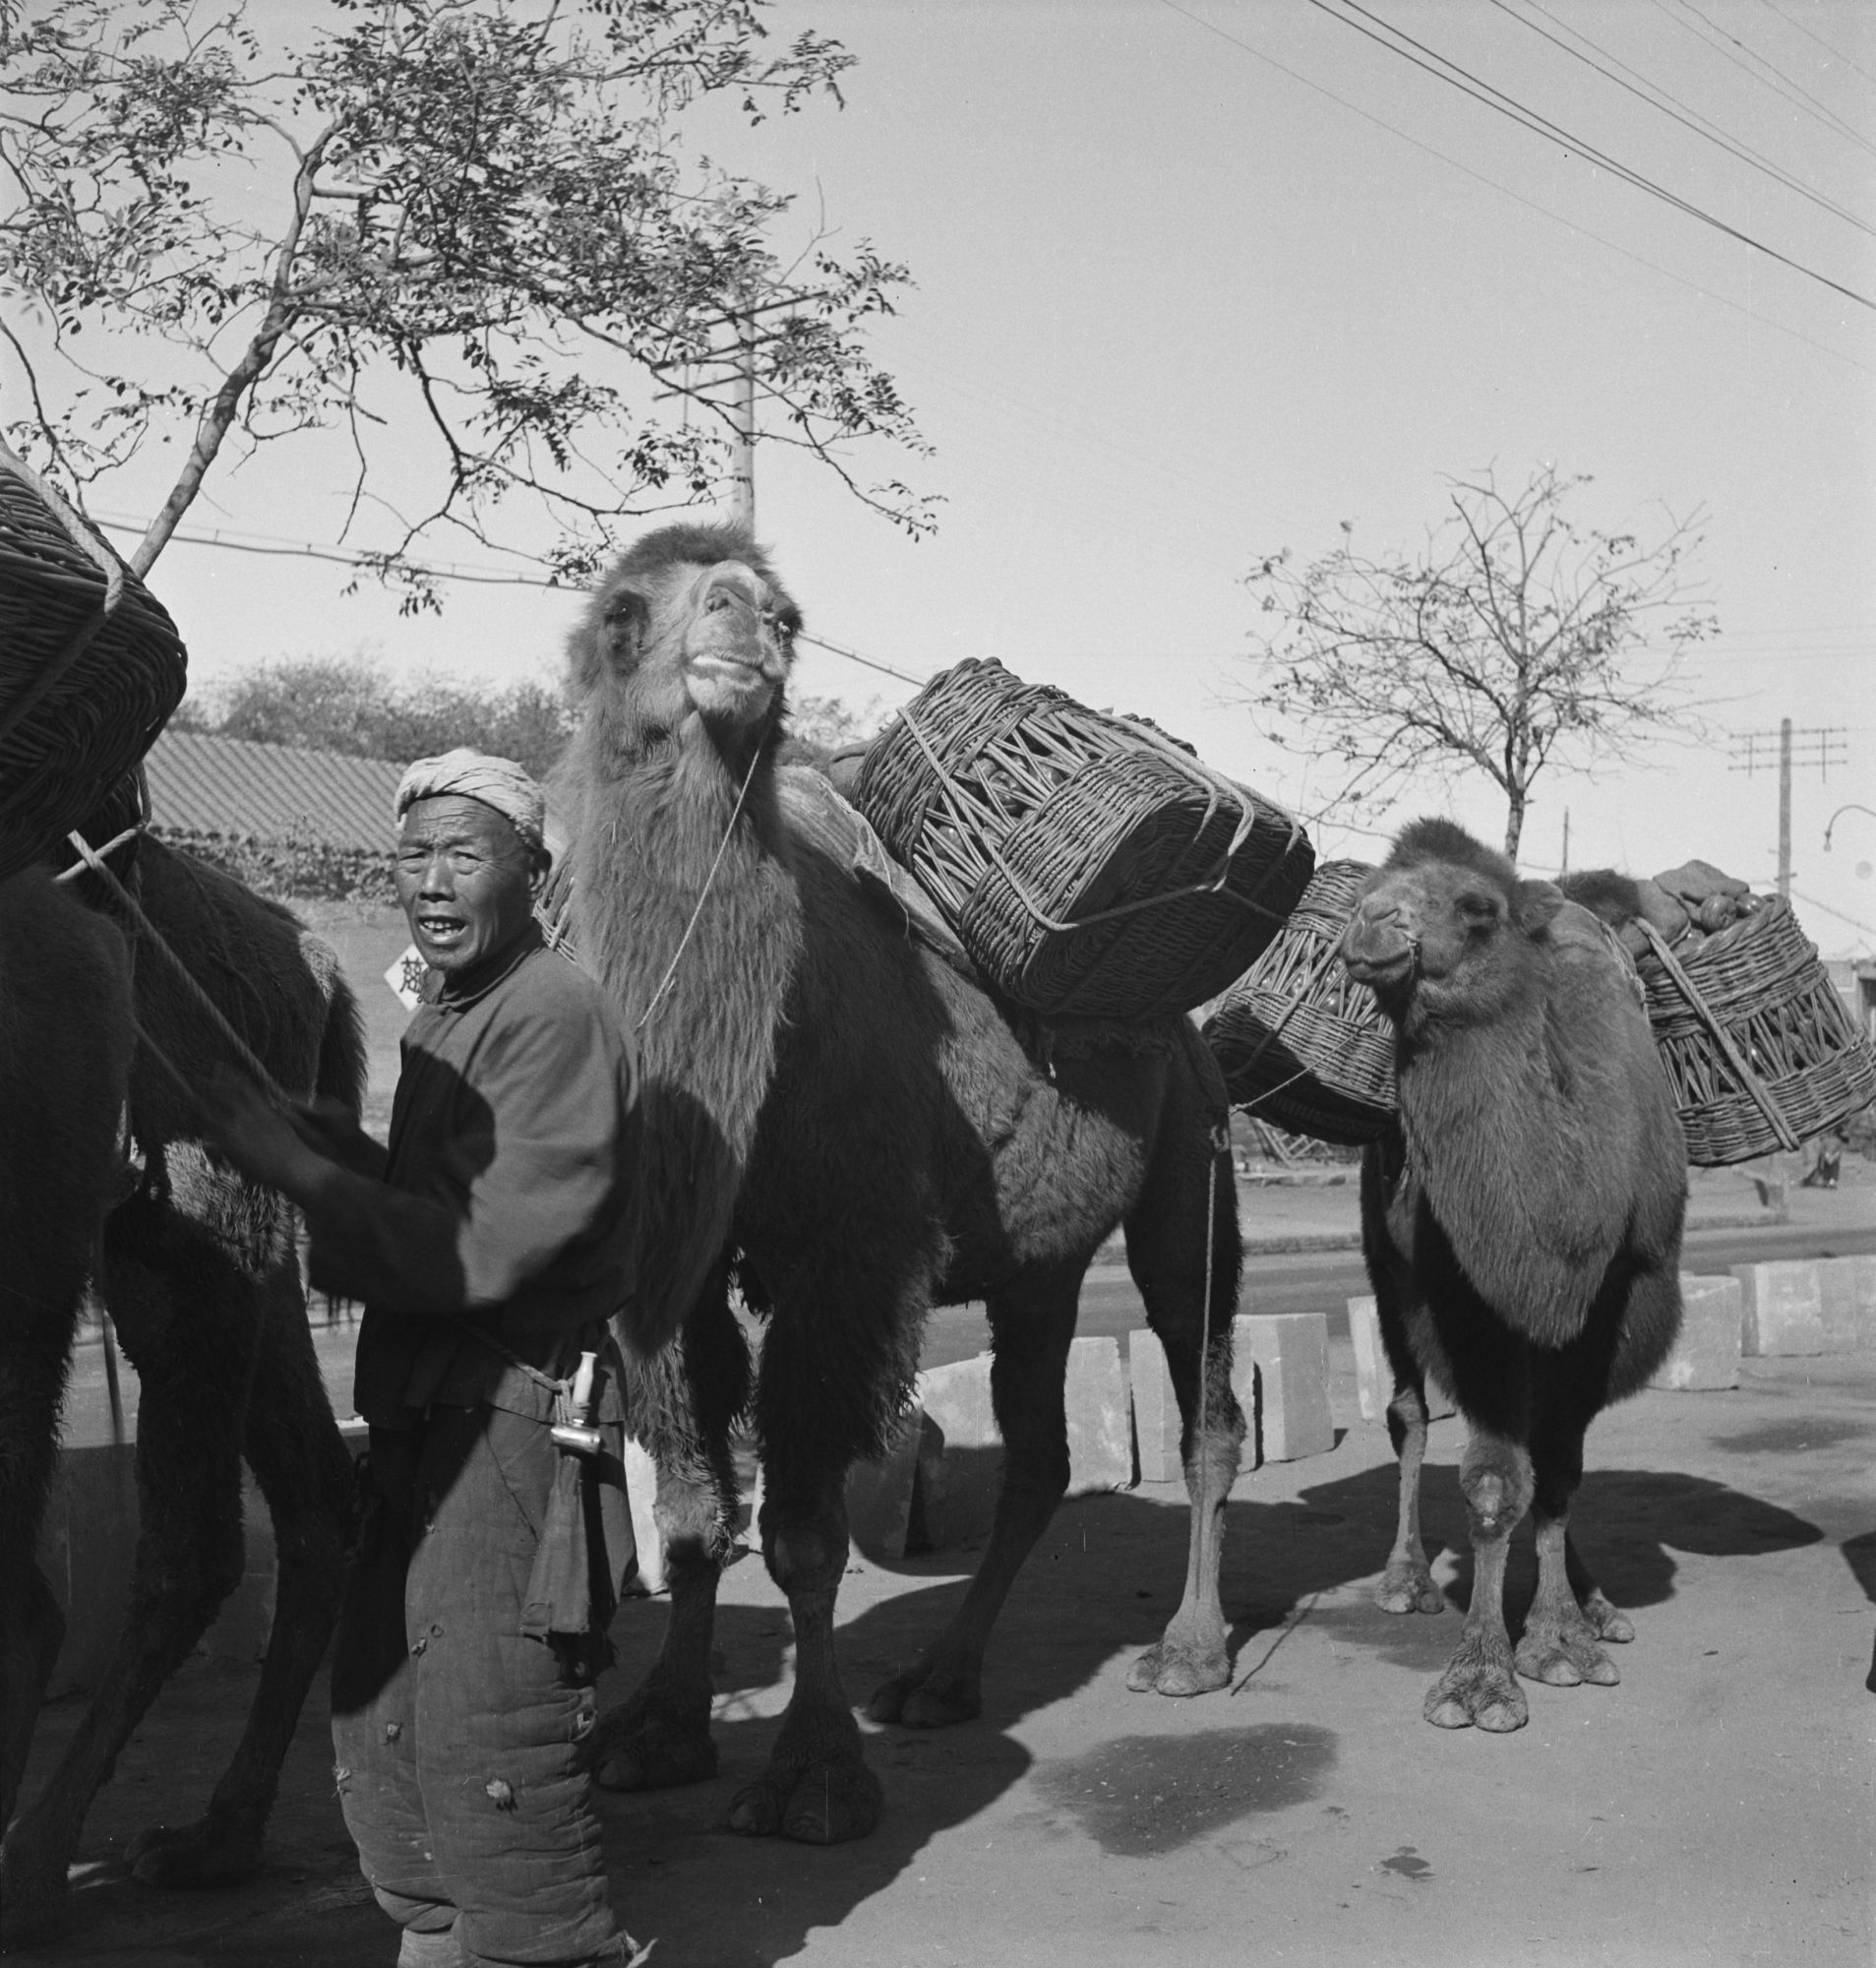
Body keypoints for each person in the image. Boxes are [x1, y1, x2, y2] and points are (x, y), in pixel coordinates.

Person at [202, 749, 645, 1968]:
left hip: (508, 1418)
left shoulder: (550, 1010)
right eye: (412, 856)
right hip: (424, 1416)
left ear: (531, 871)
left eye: (465, 854)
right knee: (392, 1726)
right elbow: (437, 1189)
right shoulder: (449, 1013)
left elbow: (489, 1244)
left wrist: (304, 1175)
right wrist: (335, 1144)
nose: (432, 883)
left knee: (491, 1732)